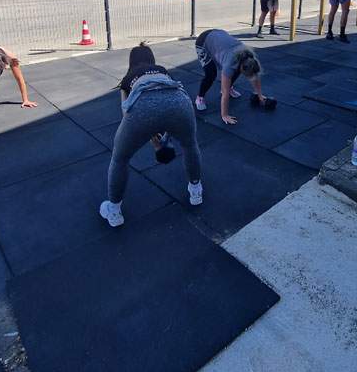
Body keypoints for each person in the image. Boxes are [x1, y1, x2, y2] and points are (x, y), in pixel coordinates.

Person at [99, 43, 203, 228]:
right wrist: (164, 138)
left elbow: (127, 113)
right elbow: (166, 104)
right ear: (151, 59)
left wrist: (151, 138)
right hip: (180, 101)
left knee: (120, 158)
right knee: (189, 145)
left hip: (143, 108)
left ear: (132, 61)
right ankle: (196, 191)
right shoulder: (161, 70)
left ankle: (114, 211)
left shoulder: (127, 79)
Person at [194, 28, 275, 124]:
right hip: (203, 41)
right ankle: (199, 98)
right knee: (211, 74)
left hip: (219, 37)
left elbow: (255, 76)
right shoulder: (229, 64)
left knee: (236, 70)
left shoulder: (250, 58)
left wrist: (260, 95)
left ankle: (230, 86)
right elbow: (225, 93)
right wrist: (224, 115)